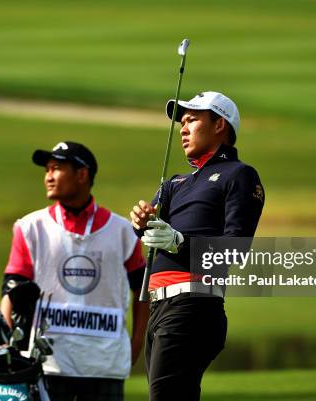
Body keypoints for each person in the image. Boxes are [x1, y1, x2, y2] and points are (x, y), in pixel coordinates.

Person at [130, 91, 265, 401]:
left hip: (193, 306)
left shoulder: (240, 175)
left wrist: (179, 242)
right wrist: (141, 222)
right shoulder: (175, 183)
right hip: (159, 307)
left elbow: (236, 249)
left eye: (192, 119)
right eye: (182, 122)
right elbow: (148, 228)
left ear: (220, 125)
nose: (183, 128)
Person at [0, 141, 149, 401]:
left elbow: (143, 290)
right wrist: (6, 344)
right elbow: (11, 291)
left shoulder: (123, 230)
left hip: (105, 365)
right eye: (47, 169)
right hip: (47, 365)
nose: (48, 176)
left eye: (56, 168)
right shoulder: (29, 227)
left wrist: (134, 348)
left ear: (82, 174)